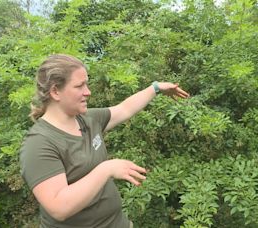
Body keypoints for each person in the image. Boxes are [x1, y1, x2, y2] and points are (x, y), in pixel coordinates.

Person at [19, 54, 189, 227]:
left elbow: (123, 109)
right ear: (55, 91)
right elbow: (59, 207)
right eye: (79, 86)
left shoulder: (86, 119)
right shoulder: (39, 144)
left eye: (86, 83)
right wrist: (106, 169)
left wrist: (155, 88)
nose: (88, 91)